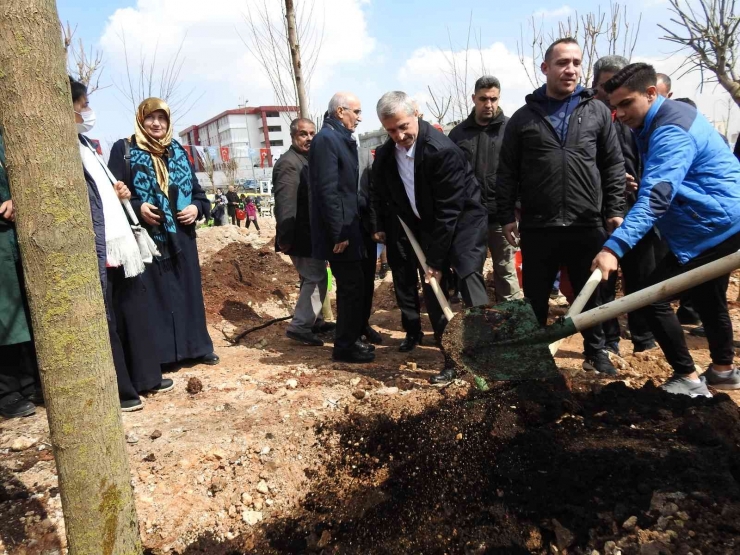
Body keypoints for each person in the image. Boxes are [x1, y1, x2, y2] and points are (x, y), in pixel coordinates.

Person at [594, 62, 740, 396]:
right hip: (715, 222)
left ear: (650, 93)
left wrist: (612, 248)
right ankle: (723, 371)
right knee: (708, 297)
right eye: (614, 106)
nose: (619, 113)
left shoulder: (670, 129)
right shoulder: (660, 119)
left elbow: (656, 198)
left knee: (649, 294)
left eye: (626, 103)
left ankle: (688, 379)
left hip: (714, 225)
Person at [497, 38, 625, 377]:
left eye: (576, 62)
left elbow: (612, 165)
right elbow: (507, 170)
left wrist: (614, 209)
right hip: (540, 225)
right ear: (545, 68)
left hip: (587, 222)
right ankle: (536, 360)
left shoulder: (597, 111)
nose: (570, 69)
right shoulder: (524, 118)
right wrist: (506, 215)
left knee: (590, 295)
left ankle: (595, 353)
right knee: (535, 297)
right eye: (561, 63)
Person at [373, 91, 489, 383]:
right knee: (433, 289)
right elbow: (382, 194)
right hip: (424, 225)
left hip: (463, 221)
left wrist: (435, 259)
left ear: (416, 115)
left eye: (403, 126)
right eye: (391, 130)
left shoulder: (442, 150)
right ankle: (451, 359)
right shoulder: (386, 156)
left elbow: (449, 211)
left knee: (467, 275)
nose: (399, 135)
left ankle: (487, 353)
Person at [70, 78, 171, 411]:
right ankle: (124, 391)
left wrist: (119, 193)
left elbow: (101, 190)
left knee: (134, 312)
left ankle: (146, 377)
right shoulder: (62, 150)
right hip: (100, 246)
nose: (88, 111)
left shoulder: (84, 144)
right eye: (83, 105)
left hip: (119, 243)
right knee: (109, 321)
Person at [108, 97, 219, 369]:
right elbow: (112, 194)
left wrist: (195, 208)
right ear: (141, 119)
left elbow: (199, 195)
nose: (156, 123)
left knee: (187, 293)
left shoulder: (177, 150)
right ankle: (162, 355)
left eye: (162, 118)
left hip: (182, 237)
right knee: (153, 298)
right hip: (149, 237)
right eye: (150, 118)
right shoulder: (124, 149)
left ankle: (196, 347)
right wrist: (138, 206)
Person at [592, 55, 664, 356]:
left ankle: (643, 338)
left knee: (642, 277)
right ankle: (609, 341)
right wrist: (607, 179)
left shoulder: (641, 118)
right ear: (596, 86)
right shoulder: (588, 115)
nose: (615, 93)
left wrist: (639, 181)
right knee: (603, 280)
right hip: (599, 211)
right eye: (608, 86)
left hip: (638, 210)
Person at [309, 92, 374, 363]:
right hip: (340, 234)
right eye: (356, 112)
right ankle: (344, 346)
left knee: (356, 285)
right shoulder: (326, 140)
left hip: (350, 228)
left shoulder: (339, 138)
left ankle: (352, 339)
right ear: (340, 112)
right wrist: (339, 232)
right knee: (349, 287)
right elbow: (328, 190)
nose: (359, 117)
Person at [449, 75, 522, 303]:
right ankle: (478, 323)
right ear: (474, 98)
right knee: (471, 270)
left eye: (493, 99)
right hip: (470, 217)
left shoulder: (512, 130)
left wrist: (516, 209)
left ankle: (511, 323)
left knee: (505, 269)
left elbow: (522, 171)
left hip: (503, 216)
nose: (488, 104)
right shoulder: (458, 134)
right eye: (483, 99)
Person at [274, 118, 334, 346]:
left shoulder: (306, 160)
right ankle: (300, 326)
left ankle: (315, 321)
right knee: (315, 277)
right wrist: (285, 238)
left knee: (317, 277)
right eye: (303, 134)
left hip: (311, 235)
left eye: (312, 133)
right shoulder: (289, 164)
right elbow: (286, 205)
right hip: (299, 236)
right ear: (293, 136)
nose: (309, 138)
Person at [0, 129, 40, 419]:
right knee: (5, 320)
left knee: (26, 314)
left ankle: (30, 383)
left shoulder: (8, 137)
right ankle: (6, 392)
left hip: (17, 240)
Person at [358, 146, 384, 345]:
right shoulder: (326, 151)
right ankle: (350, 330)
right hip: (342, 231)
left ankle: (363, 324)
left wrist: (376, 226)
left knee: (366, 282)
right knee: (350, 285)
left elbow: (373, 192)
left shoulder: (364, 153)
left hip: (365, 228)